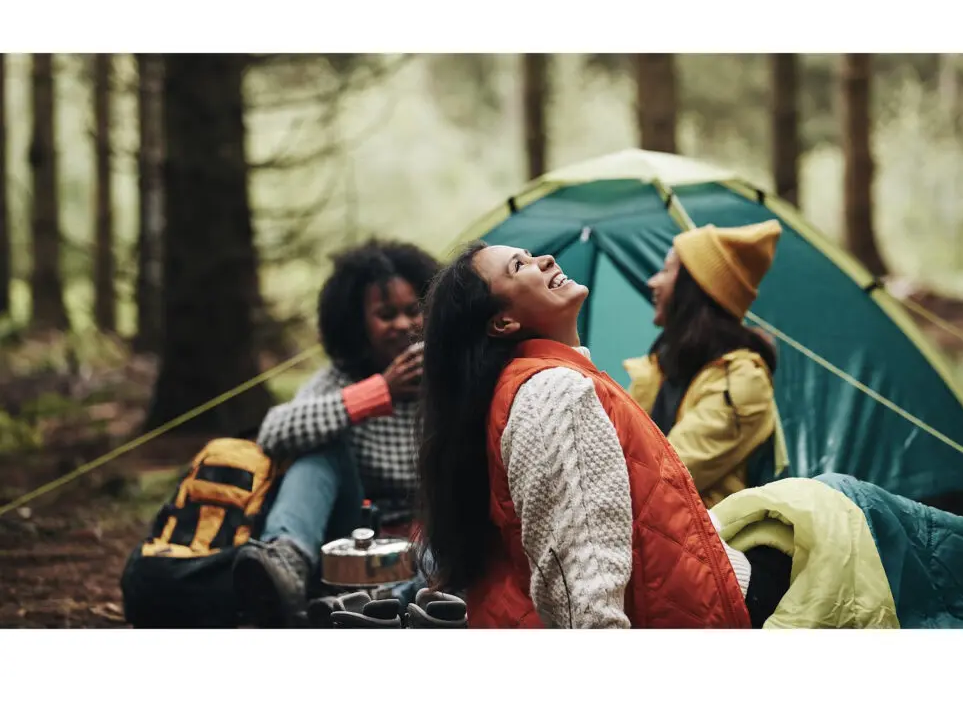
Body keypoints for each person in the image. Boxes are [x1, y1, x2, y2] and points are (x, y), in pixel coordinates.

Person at [417, 241, 761, 629]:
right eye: (519, 265)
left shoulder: (530, 385)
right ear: (503, 322)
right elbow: (586, 588)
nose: (545, 259)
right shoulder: (555, 392)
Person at [232, 239, 441, 627]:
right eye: (385, 314)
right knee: (318, 446)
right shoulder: (339, 379)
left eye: (412, 311)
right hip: (349, 540)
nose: (401, 324)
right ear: (357, 323)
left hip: (429, 541)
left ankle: (387, 606)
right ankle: (285, 563)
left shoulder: (450, 377)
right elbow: (274, 432)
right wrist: (380, 391)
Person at [624, 220, 785, 508]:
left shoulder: (742, 382)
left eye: (665, 270)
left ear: (693, 287)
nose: (652, 282)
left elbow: (665, 476)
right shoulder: (660, 370)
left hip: (709, 548)